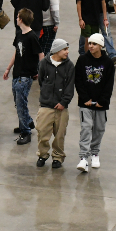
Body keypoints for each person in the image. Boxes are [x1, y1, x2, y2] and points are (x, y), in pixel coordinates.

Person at [73, 33, 115, 172]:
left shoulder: (108, 63)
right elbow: (78, 80)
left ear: (101, 46)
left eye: (94, 44)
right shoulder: (82, 59)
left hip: (101, 104)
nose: (90, 46)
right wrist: (85, 99)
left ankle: (95, 153)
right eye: (89, 43)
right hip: (85, 103)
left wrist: (103, 100)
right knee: (86, 127)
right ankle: (83, 158)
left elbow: (109, 84)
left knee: (99, 129)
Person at [3, 9, 42, 145]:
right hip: (17, 73)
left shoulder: (32, 37)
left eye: (18, 17)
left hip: (26, 75)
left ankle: (26, 131)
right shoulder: (19, 34)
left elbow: (40, 54)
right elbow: (16, 52)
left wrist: (39, 70)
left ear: (21, 19)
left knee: (21, 102)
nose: (16, 18)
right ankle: (26, 122)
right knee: (18, 101)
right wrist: (8, 68)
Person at [35, 39, 75, 168]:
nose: (67, 52)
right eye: (65, 49)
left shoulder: (69, 66)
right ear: (57, 50)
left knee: (60, 135)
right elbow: (41, 81)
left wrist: (64, 102)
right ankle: (42, 155)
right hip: (46, 105)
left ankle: (58, 157)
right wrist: (46, 96)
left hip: (61, 108)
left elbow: (70, 86)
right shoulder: (44, 64)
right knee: (42, 131)